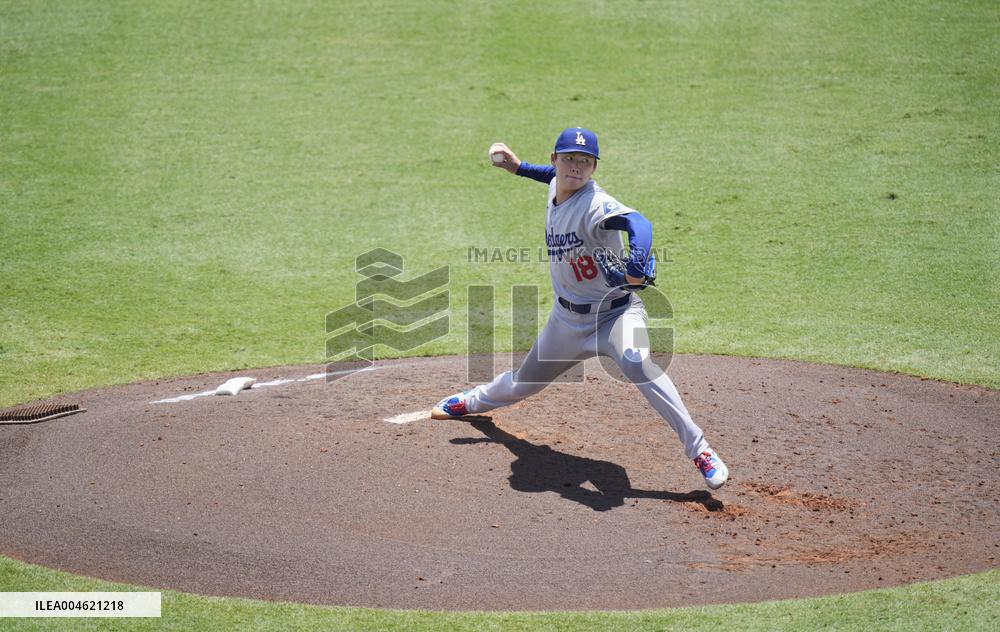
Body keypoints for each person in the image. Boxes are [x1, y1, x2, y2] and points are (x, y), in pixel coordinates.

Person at [431, 127, 728, 490]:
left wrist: (636, 263)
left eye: (585, 161)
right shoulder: (557, 184)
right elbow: (553, 178)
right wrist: (520, 168)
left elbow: (639, 223)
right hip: (567, 321)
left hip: (616, 314)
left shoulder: (595, 204)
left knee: (637, 362)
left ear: (594, 168)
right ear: (555, 159)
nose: (577, 167)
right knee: (522, 384)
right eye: (569, 158)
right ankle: (471, 403)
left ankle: (700, 450)